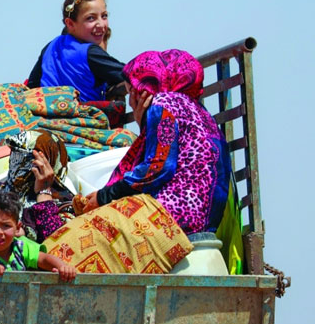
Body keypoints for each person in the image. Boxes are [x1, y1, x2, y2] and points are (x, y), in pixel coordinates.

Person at [82, 49, 231, 236]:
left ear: (147, 87)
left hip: (175, 217)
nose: (130, 102)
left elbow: (157, 167)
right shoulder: (199, 111)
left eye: (131, 91)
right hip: (203, 221)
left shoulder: (164, 104)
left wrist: (104, 197)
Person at [26, 0, 126, 104]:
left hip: (44, 119)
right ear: (70, 24)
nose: (101, 24)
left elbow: (32, 85)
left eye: (104, 16)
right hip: (80, 120)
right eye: (91, 18)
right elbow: (128, 74)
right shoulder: (89, 53)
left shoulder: (50, 47)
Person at [0, 188, 76, 281]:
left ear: (17, 228)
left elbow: (43, 259)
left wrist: (62, 267)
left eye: (6, 225)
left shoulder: (21, 246)